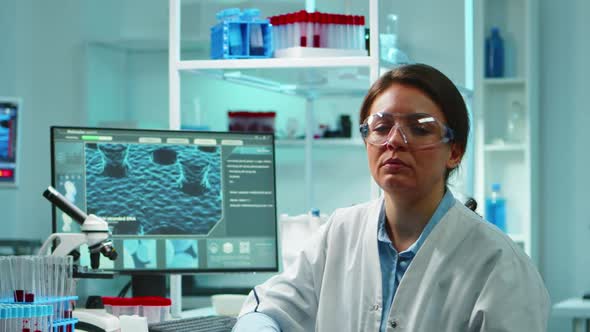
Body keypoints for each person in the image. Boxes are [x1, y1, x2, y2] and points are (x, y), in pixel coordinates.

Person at [232, 64, 550, 331]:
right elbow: (268, 307)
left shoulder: (498, 262)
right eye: (381, 127)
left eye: (420, 128)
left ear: (454, 151)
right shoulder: (340, 232)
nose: (394, 142)